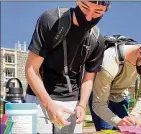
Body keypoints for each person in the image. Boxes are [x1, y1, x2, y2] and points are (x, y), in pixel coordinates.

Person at [24, 1, 110, 134]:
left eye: (97, 12)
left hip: (72, 103)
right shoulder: (52, 20)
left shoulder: (97, 40)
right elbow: (31, 68)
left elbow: (88, 79)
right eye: (85, 7)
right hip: (39, 98)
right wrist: (48, 104)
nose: (88, 17)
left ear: (106, 10)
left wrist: (82, 105)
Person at [89, 32, 141, 131]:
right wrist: (118, 121)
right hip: (101, 98)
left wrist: (134, 115)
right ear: (140, 52)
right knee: (108, 131)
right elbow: (99, 105)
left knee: (128, 128)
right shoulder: (110, 62)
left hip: (120, 97)